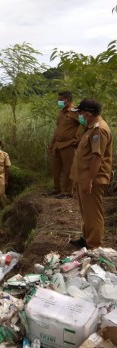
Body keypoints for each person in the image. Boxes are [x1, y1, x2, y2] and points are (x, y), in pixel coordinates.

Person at [69, 98, 112, 249]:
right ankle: (87, 239)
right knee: (86, 212)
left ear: (87, 114)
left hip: (92, 179)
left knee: (93, 213)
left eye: (80, 113)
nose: (78, 116)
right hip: (84, 177)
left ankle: (94, 245)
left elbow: (97, 157)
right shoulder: (91, 127)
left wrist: (90, 180)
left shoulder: (99, 130)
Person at [47, 91, 81, 199]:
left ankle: (68, 192)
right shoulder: (61, 112)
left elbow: (84, 125)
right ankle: (56, 189)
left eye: (61, 99)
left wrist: (79, 139)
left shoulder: (75, 112)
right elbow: (58, 129)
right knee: (56, 169)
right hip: (57, 145)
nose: (59, 101)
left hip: (68, 145)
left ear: (67, 99)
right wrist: (52, 144)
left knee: (68, 170)